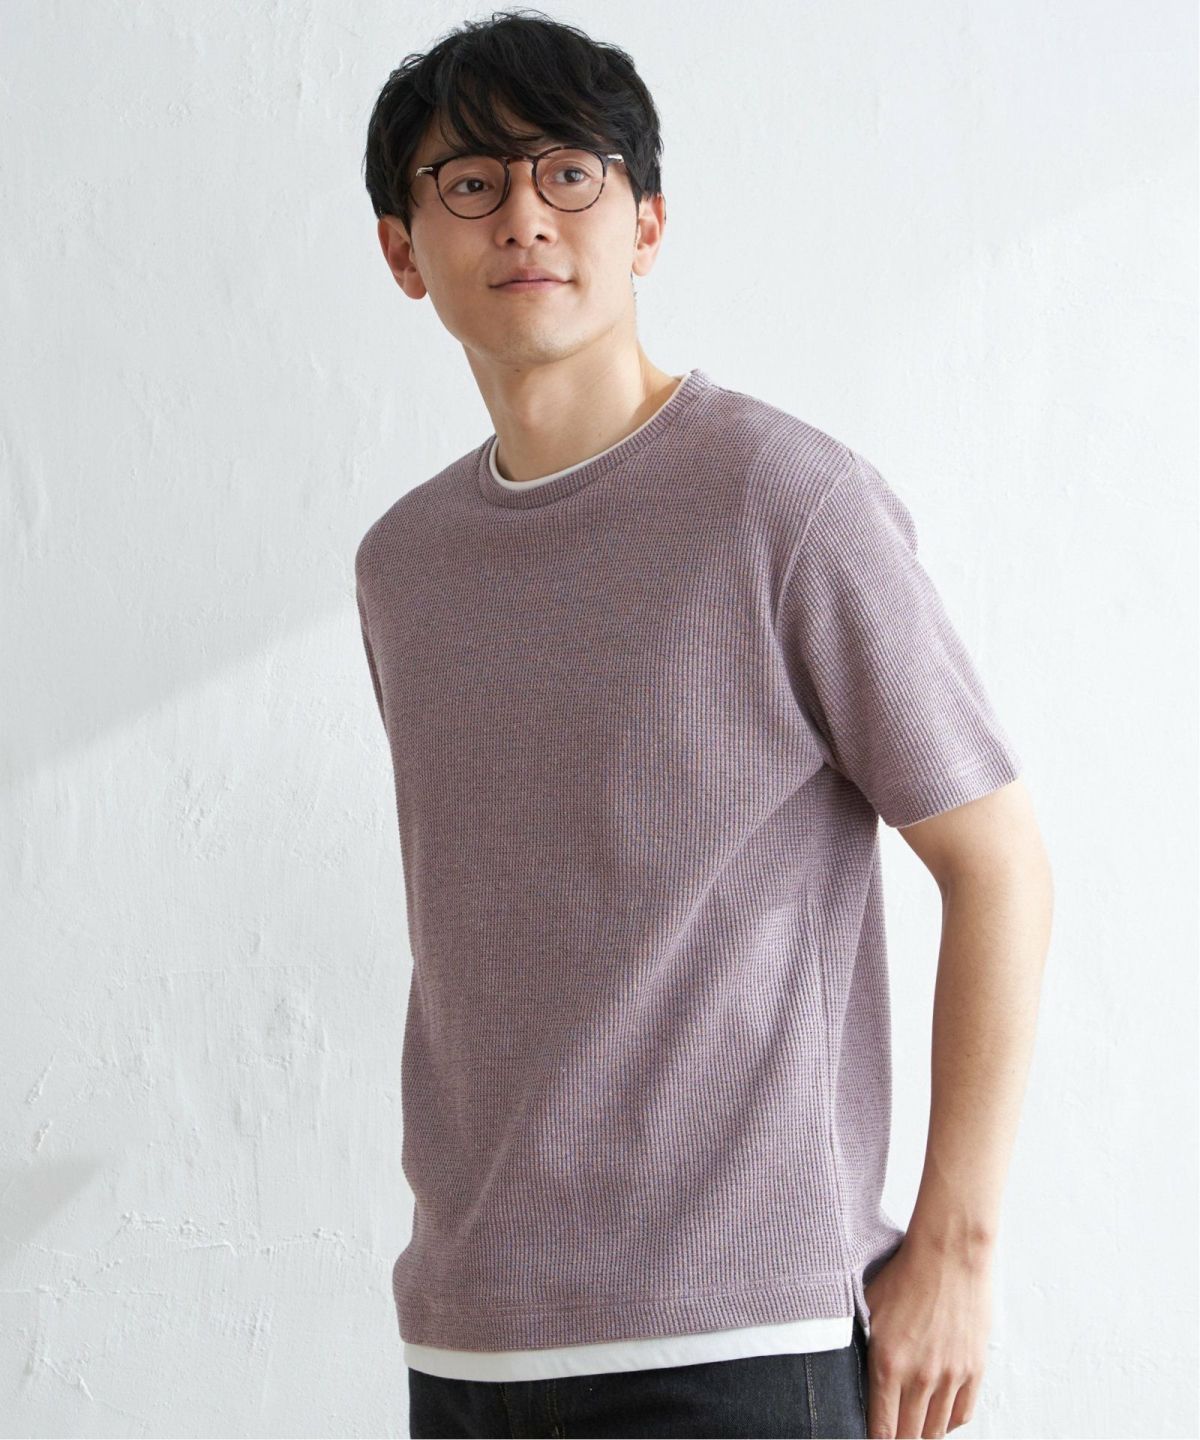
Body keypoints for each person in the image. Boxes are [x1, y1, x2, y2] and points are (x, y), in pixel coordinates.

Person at [355, 11, 1054, 1439]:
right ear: (403, 251)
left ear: (649, 223)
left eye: (570, 173)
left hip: (740, 1334)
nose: (524, 216)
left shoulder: (784, 502)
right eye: (470, 182)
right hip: (472, 1339)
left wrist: (956, 1251)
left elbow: (1000, 866)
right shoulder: (403, 564)